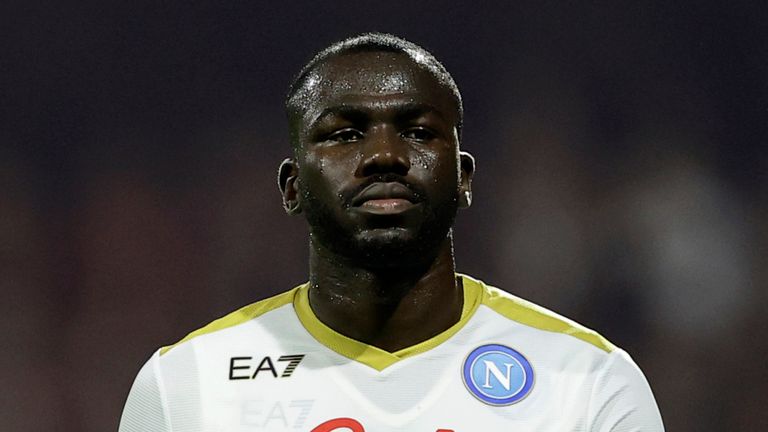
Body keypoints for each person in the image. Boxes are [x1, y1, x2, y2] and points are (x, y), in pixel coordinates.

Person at [119, 33, 664, 432]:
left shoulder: (588, 381)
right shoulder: (188, 386)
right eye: (345, 133)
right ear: (290, 187)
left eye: (418, 131)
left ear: (464, 177)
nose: (384, 155)